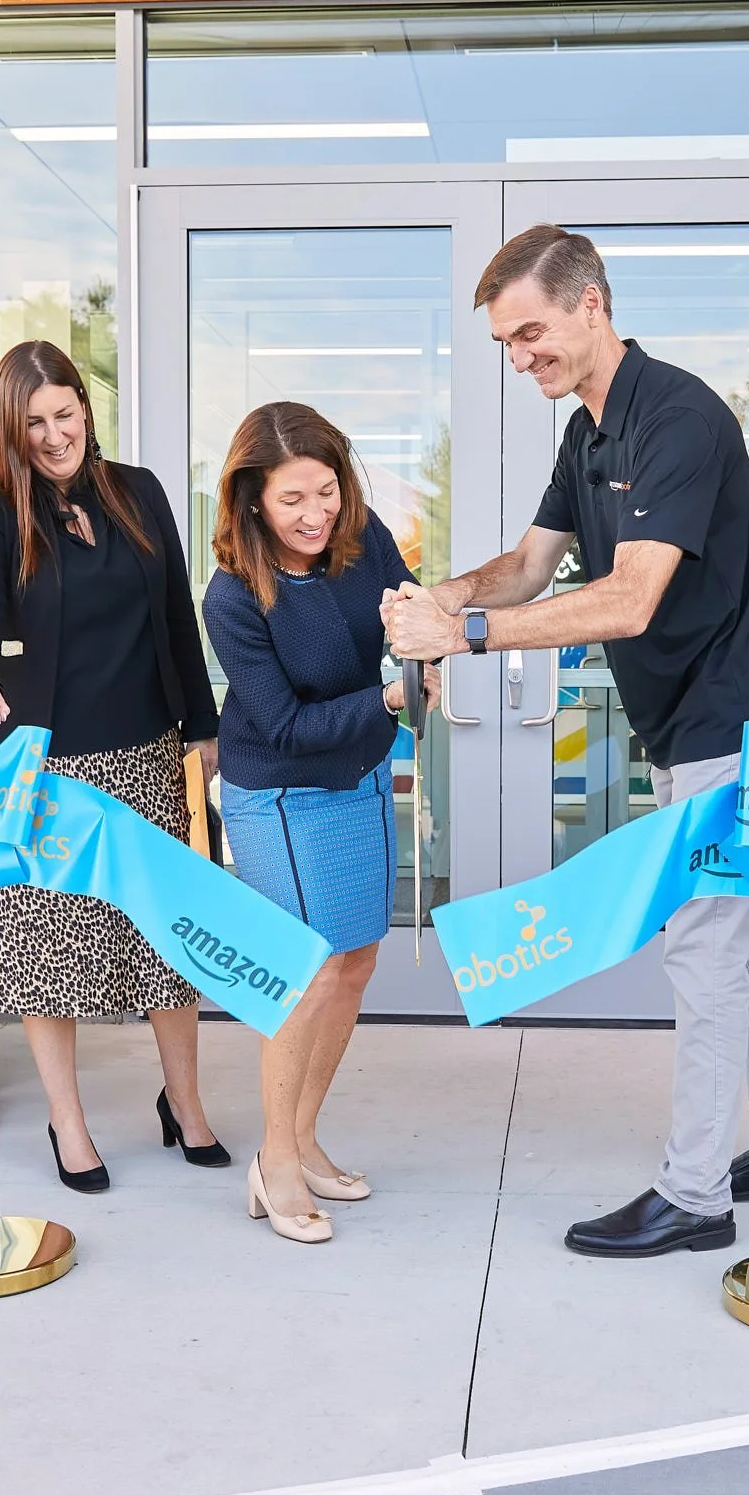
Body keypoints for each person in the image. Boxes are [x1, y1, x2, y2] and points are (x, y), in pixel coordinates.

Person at [384, 225, 749, 1260]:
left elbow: (627, 600)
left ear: (592, 304)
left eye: (532, 330)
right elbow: (531, 568)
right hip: (692, 724)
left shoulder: (679, 417)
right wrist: (443, 596)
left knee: (708, 949)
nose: (521, 354)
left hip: (739, 726)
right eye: (505, 343)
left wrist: (467, 636)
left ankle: (695, 1193)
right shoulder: (587, 434)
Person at [0, 341, 226, 1193]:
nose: (54, 434)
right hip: (44, 767)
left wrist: (202, 731)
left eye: (64, 414)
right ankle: (70, 1123)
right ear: (9, 427)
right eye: (33, 423)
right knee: (51, 951)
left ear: (86, 409)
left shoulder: (136, 490)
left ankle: (185, 1103)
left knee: (164, 944)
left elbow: (177, 612)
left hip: (149, 751)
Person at [202, 402, 435, 1243]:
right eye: (292, 500)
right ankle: (275, 1161)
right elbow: (285, 726)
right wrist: (388, 697)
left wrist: (421, 655)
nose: (314, 515)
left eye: (326, 492)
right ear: (252, 501)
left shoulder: (361, 539)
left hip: (361, 770)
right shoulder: (231, 597)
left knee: (355, 962)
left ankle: (302, 1134)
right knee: (302, 976)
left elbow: (404, 617)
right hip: (282, 795)